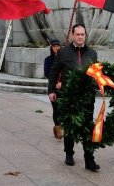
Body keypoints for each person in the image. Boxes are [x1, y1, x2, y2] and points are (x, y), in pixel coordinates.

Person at [48, 24, 100, 171]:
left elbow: (96, 73)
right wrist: (51, 90)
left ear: (85, 35)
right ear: (72, 35)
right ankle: (69, 154)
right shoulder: (63, 52)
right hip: (68, 96)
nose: (80, 37)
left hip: (86, 98)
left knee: (87, 128)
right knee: (70, 127)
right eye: (77, 34)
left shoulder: (92, 53)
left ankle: (89, 159)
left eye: (82, 34)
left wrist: (99, 85)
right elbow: (54, 72)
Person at [44, 39, 63, 139]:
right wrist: (55, 82)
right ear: (51, 47)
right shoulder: (48, 60)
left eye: (58, 46)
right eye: (54, 46)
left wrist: (62, 82)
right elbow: (47, 73)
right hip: (53, 88)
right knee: (56, 108)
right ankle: (58, 127)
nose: (56, 48)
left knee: (63, 108)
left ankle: (60, 126)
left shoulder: (64, 59)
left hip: (63, 87)